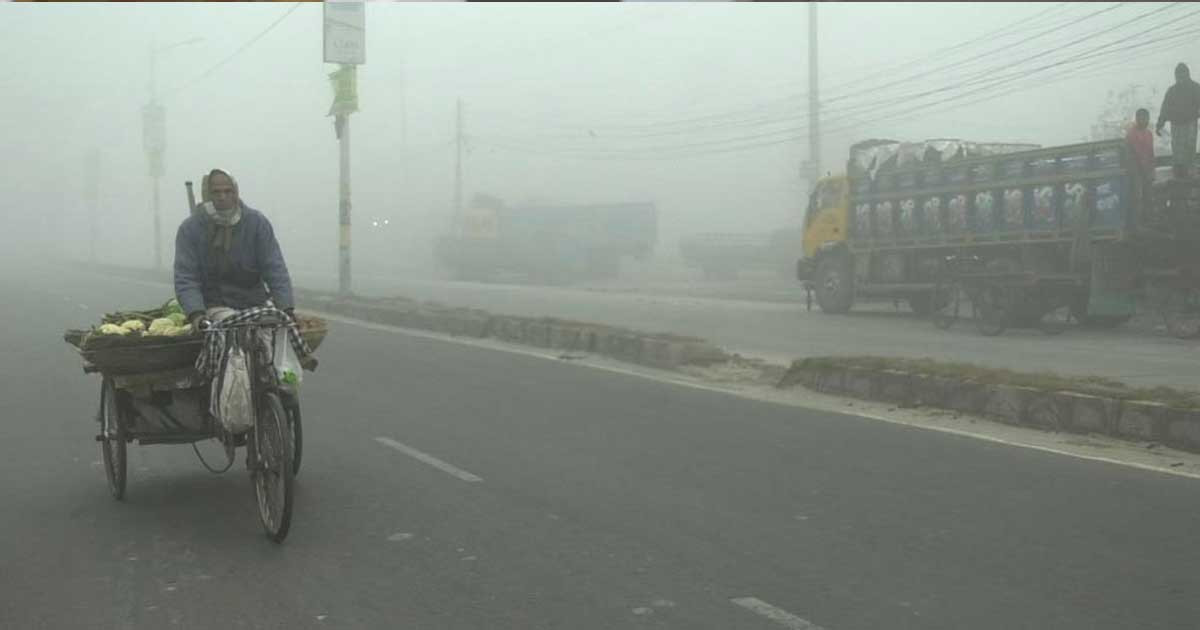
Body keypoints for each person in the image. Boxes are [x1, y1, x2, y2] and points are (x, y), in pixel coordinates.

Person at [173, 168, 295, 329]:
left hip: (256, 303)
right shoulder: (191, 228)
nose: (222, 197)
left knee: (274, 336)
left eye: (228, 191)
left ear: (235, 192)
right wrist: (196, 313)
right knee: (236, 335)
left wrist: (286, 308)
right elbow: (186, 277)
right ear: (207, 194)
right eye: (216, 192)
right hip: (215, 306)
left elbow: (274, 267)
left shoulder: (256, 223)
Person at [1155, 62, 1200, 178]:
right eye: (1178, 75)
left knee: (1189, 149)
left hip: (1191, 123)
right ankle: (1179, 174)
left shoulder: (1195, 88)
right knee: (1178, 152)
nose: (1180, 77)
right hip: (1176, 125)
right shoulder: (1172, 91)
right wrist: (1160, 123)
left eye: (1182, 74)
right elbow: (1165, 107)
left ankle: (1190, 173)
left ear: (1187, 74)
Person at [1126, 108, 1155, 217]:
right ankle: (1136, 220)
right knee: (1137, 196)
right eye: (1142, 118)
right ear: (1137, 119)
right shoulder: (1131, 134)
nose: (1145, 120)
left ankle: (1148, 217)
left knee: (1148, 195)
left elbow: (1151, 152)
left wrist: (1151, 169)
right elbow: (1135, 152)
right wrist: (1143, 169)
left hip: (1147, 170)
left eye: (1146, 118)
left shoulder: (1149, 134)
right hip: (1135, 170)